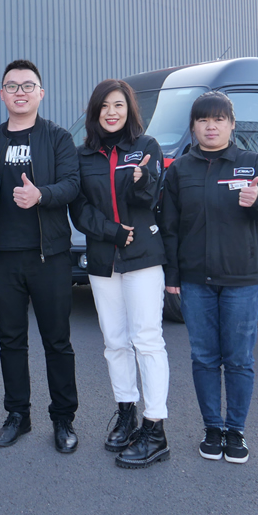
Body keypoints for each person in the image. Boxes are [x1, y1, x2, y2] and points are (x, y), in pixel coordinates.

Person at [160, 90, 258, 465]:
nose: (210, 126)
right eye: (203, 120)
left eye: (218, 119)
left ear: (231, 124)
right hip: (196, 280)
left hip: (242, 278)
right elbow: (170, 227)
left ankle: (236, 430)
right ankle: (212, 428)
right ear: (193, 126)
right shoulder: (180, 169)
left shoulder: (251, 162)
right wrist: (172, 275)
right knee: (204, 357)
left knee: (239, 358)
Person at [70, 79, 172, 469]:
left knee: (147, 339)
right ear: (94, 112)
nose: (111, 112)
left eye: (119, 105)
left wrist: (143, 180)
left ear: (129, 109)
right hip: (103, 257)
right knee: (114, 341)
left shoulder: (146, 147)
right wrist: (111, 231)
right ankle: (126, 412)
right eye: (104, 106)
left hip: (143, 255)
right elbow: (79, 209)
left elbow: (150, 198)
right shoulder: (82, 156)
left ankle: (155, 427)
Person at [0, 60, 81, 453]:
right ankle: (17, 415)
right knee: (11, 340)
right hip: (3, 258)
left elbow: (72, 184)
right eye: (12, 86)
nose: (20, 92)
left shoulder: (58, 138)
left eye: (27, 86)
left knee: (57, 340)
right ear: (2, 94)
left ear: (41, 93)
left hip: (49, 256)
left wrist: (42, 195)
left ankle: (63, 418)